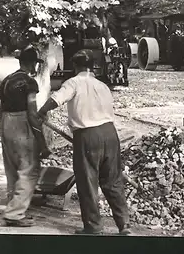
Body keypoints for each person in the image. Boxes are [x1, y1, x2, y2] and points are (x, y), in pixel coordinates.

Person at [37, 50, 131, 236]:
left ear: (76, 66)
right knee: (113, 181)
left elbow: (56, 99)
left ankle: (93, 226)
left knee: (88, 182)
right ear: (93, 67)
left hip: (88, 136)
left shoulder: (73, 82)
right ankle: (124, 225)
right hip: (110, 135)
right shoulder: (103, 86)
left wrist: (41, 111)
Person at [0, 45, 51, 227]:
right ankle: (14, 214)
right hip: (22, 123)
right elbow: (32, 112)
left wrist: (3, 131)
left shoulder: (7, 80)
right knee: (29, 169)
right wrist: (42, 143)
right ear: (32, 64)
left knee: (12, 166)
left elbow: (1, 109)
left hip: (5, 123)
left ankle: (13, 202)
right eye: (35, 63)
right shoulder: (30, 83)